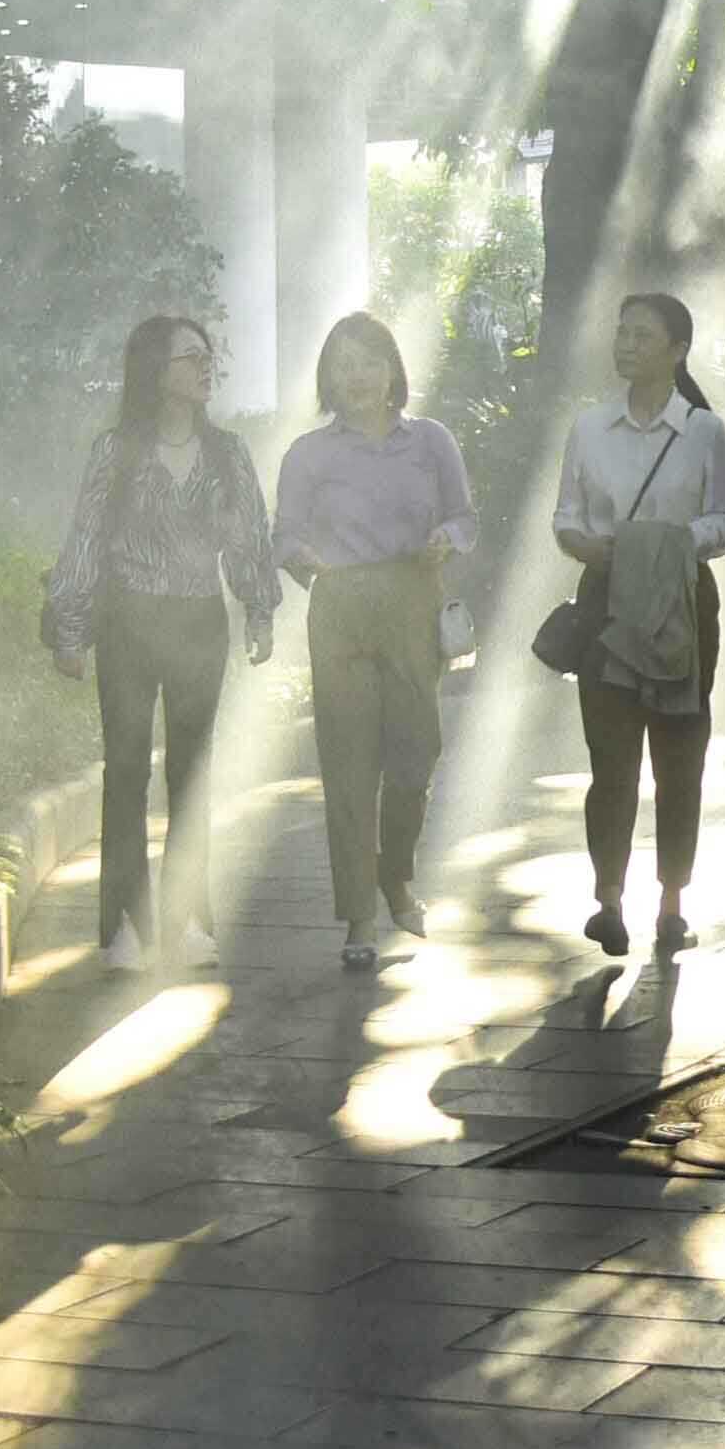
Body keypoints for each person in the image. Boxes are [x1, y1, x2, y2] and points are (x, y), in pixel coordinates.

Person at [44, 315, 277, 973]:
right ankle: (126, 924)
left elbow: (249, 536)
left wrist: (258, 611)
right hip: (128, 623)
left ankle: (189, 921)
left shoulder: (228, 453)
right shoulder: (114, 450)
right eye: (189, 357)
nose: (205, 368)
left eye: (208, 357)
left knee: (192, 772)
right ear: (155, 370)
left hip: (200, 620)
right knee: (125, 773)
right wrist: (71, 628)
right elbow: (85, 539)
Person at [549, 289, 725, 957]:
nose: (625, 344)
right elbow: (566, 516)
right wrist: (590, 545)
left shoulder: (703, 432)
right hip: (606, 600)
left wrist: (668, 543)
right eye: (621, 333)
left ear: (677, 350)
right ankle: (609, 902)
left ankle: (672, 903)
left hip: (683, 607)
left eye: (642, 335)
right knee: (611, 762)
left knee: (678, 758)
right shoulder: (589, 428)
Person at [274, 313, 472, 974]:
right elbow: (283, 536)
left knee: (418, 752)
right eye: (343, 364)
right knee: (349, 761)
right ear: (329, 378)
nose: (356, 375)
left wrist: (449, 537)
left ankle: (396, 873)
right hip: (340, 605)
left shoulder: (431, 441)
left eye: (369, 360)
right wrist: (304, 561)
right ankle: (360, 914)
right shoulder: (309, 453)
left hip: (412, 593)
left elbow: (464, 514)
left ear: (392, 369)